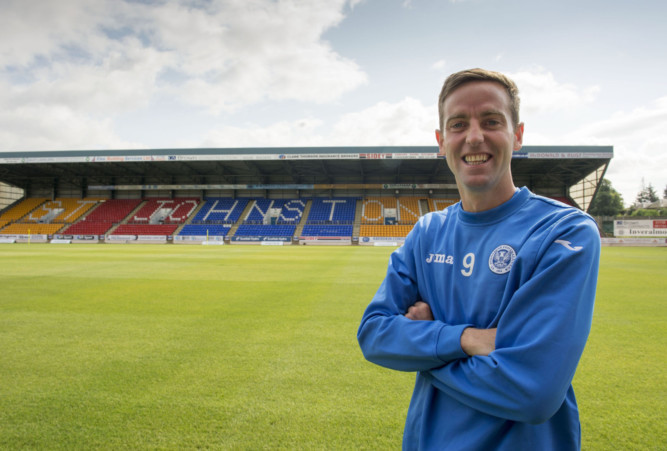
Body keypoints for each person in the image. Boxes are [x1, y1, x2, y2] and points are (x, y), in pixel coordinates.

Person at [357, 68, 600, 450]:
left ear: (517, 135)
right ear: (441, 141)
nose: (474, 136)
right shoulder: (426, 232)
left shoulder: (563, 231)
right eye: (458, 124)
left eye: (491, 121)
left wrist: (426, 346)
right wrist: (466, 338)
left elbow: (531, 392)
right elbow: (373, 334)